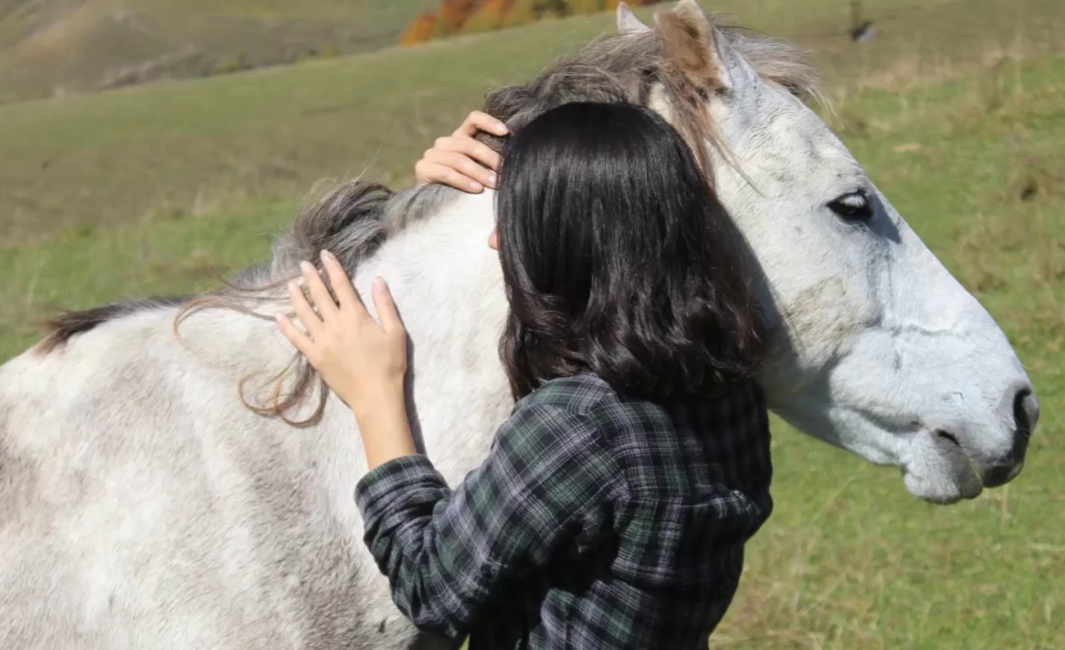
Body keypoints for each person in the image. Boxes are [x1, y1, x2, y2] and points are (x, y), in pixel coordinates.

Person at [276, 103, 772, 649]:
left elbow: (429, 587)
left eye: (514, 223)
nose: (494, 243)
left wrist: (375, 395)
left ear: (570, 244)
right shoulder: (733, 390)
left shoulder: (576, 429)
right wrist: (432, 199)